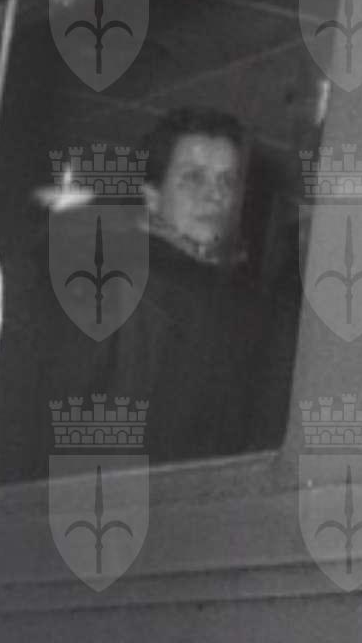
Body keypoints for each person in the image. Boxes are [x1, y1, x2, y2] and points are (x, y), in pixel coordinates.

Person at [111, 108, 280, 460]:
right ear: (152, 197)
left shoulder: (244, 301)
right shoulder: (123, 287)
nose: (214, 195)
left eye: (227, 182)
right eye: (193, 178)